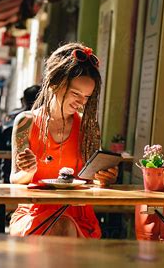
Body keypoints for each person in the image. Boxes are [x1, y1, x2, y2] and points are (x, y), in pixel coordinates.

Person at [9, 43, 118, 238]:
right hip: (34, 212)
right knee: (60, 227)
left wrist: (105, 179)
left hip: (79, 216)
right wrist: (28, 171)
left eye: (87, 97)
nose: (81, 102)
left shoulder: (88, 127)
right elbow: (15, 179)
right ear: (54, 84)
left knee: (63, 226)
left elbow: (92, 181)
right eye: (76, 94)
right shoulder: (27, 122)